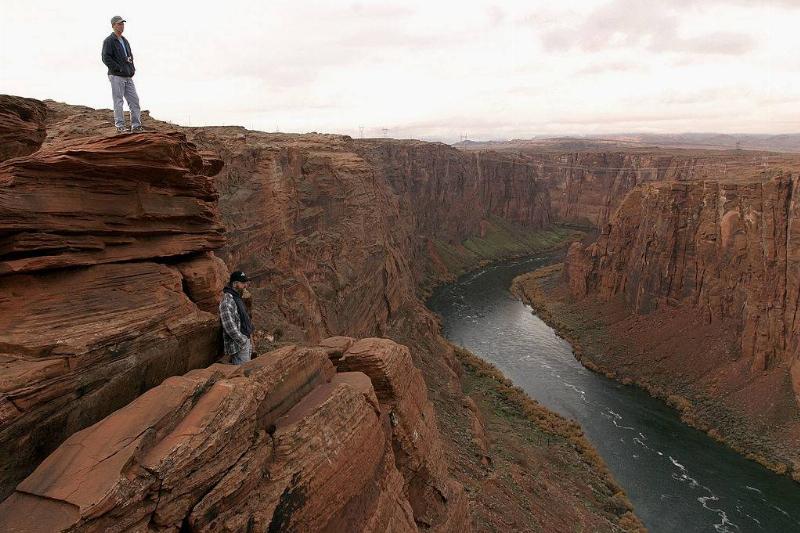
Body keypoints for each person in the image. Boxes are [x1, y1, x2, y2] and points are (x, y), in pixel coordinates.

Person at [101, 16, 142, 134]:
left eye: (122, 24)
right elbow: (105, 58)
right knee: (118, 101)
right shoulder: (109, 40)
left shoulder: (124, 40)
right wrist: (118, 68)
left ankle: (136, 126)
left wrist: (132, 69)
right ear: (113, 25)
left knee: (134, 101)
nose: (121, 26)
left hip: (128, 75)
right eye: (119, 24)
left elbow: (130, 57)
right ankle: (120, 127)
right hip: (116, 75)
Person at [219, 271, 254, 365]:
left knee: (246, 372)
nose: (245, 285)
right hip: (239, 346)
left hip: (245, 342)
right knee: (242, 374)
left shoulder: (236, 297)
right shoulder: (227, 301)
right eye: (243, 283)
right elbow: (229, 326)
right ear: (234, 284)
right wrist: (243, 341)